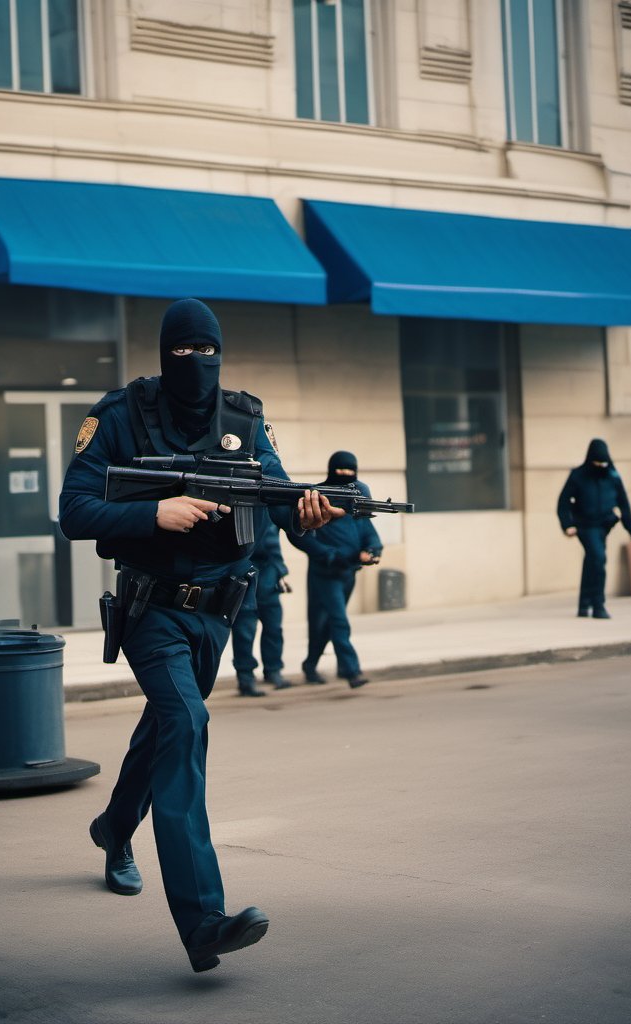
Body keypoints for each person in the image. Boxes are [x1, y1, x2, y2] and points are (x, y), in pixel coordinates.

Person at [59, 298, 340, 973]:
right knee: (185, 722)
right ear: (164, 355)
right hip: (150, 609)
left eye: (208, 354)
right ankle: (203, 921)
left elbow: (275, 491)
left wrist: (309, 514)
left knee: (163, 728)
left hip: (218, 612)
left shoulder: (243, 417)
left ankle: (113, 827)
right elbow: (74, 510)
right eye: (185, 354)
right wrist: (155, 513)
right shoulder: (122, 416)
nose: (198, 367)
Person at [290, 451, 382, 689]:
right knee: (338, 621)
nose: (345, 476)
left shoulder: (356, 500)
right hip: (324, 574)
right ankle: (352, 671)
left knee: (329, 624)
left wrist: (372, 551)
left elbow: (368, 531)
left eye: (350, 471)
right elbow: (300, 536)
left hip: (348, 572)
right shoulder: (318, 496)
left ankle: (310, 665)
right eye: (340, 470)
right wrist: (328, 555)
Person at [557, 438, 631, 619]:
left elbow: (623, 503)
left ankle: (583, 605)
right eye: (597, 462)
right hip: (585, 526)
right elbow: (563, 503)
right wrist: (567, 525)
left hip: (604, 525)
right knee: (598, 558)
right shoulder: (578, 475)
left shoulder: (612, 475)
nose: (600, 466)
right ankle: (598, 605)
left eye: (603, 462)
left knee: (592, 561)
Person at [230, 511, 291, 696]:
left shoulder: (272, 507)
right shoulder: (241, 508)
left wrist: (280, 572)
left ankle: (273, 670)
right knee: (244, 630)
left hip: (270, 577)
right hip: (246, 574)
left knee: (274, 627)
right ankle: (245, 677)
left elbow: (274, 546)